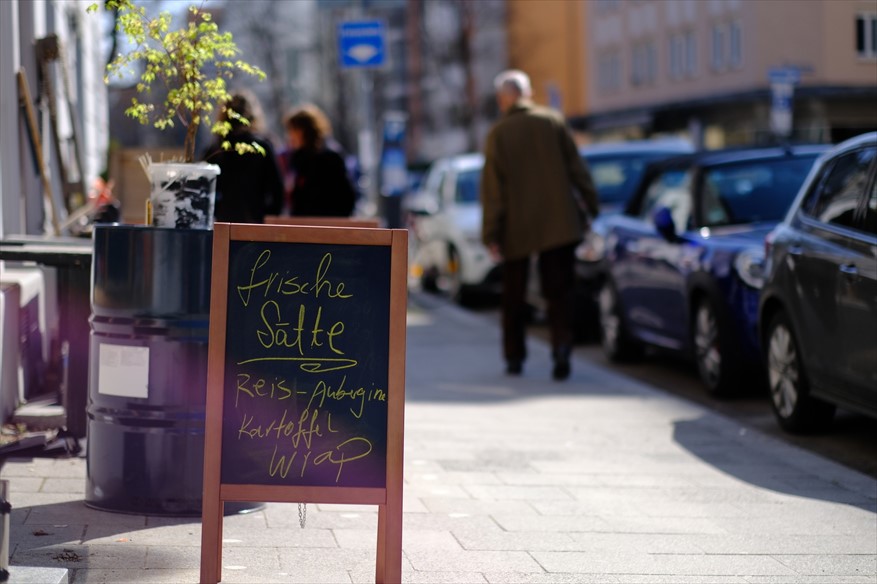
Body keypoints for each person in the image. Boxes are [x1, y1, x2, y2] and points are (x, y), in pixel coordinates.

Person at [480, 70, 599, 381]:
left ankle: (515, 358)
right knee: (559, 293)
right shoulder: (553, 121)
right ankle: (561, 350)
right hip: (559, 223)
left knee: (514, 296)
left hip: (516, 227)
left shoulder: (499, 133)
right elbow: (578, 169)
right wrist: (592, 205)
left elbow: (493, 190)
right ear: (529, 93)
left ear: (502, 98)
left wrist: (491, 233)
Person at [202, 90, 283, 224]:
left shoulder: (216, 149)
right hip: (256, 224)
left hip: (224, 224)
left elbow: (202, 190)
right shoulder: (262, 147)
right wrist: (268, 216)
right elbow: (277, 191)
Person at [283, 104, 356, 217]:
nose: (290, 135)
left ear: (305, 130)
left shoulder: (330, 158)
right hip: (303, 225)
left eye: (294, 129)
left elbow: (346, 197)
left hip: (326, 224)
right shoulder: (297, 158)